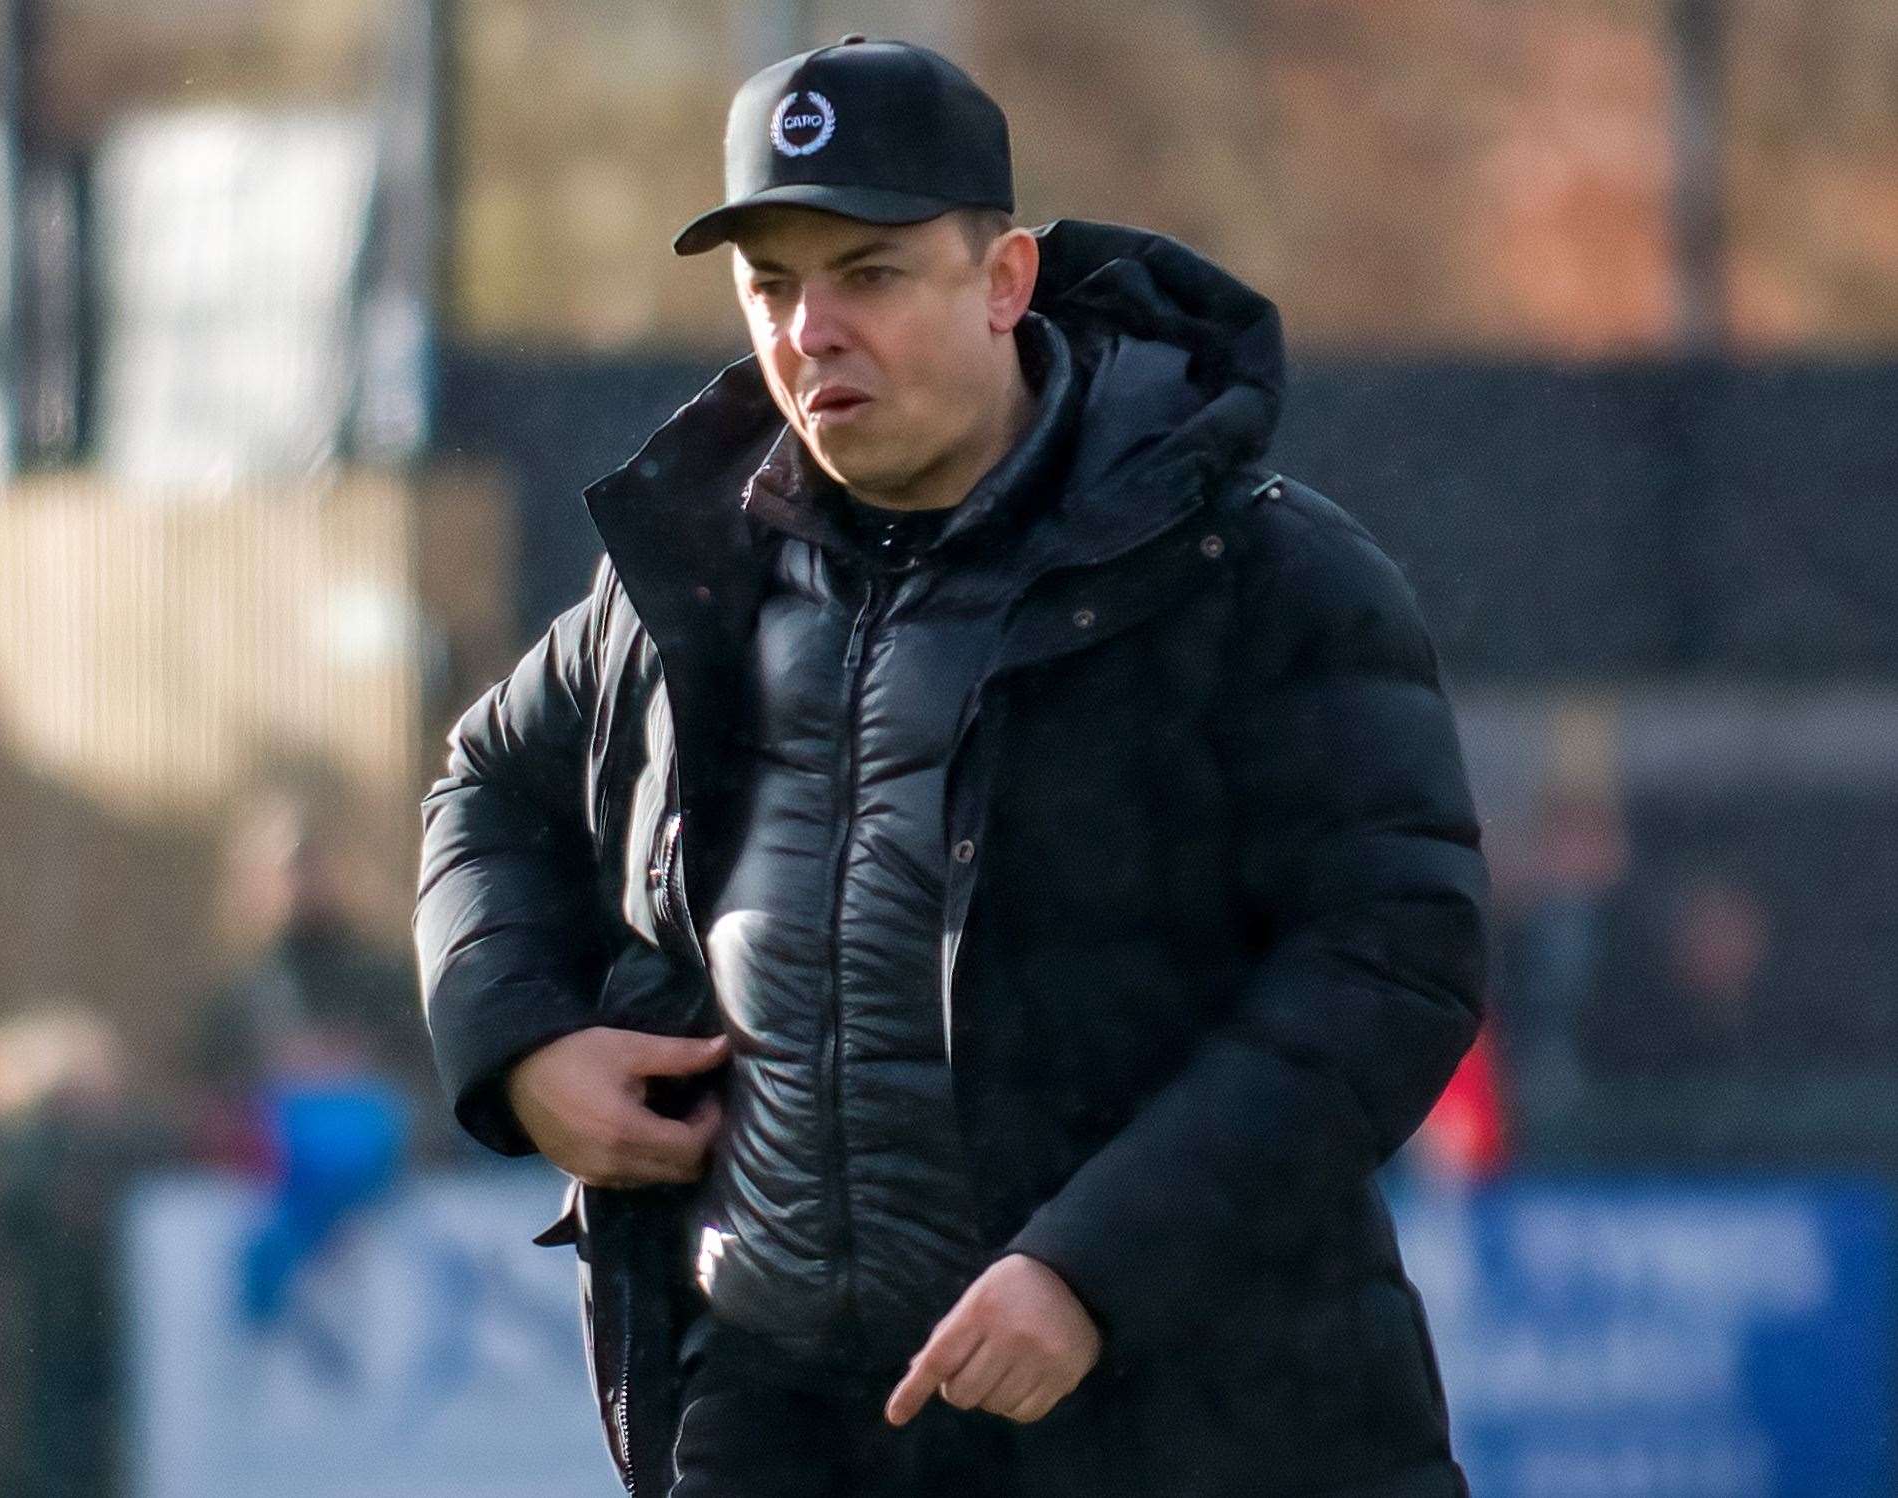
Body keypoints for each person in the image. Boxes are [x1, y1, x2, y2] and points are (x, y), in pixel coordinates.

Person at [415, 35, 1490, 1498]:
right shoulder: (684, 577)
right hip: (780, 1425)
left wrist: (1095, 1268)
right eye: (771, 285)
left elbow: (1395, 958)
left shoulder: (1255, 569)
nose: (810, 331)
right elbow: (484, 786)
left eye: (868, 272)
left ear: (1004, 282)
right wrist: (521, 1040)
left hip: (1201, 1421)